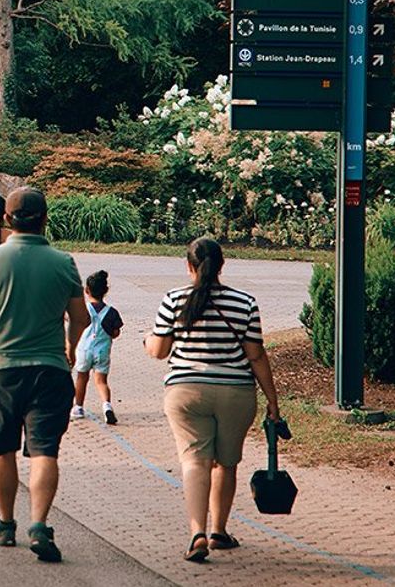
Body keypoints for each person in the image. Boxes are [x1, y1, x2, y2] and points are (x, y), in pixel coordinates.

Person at [0, 186, 89, 563]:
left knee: (2, 448)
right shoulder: (64, 262)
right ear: (46, 218)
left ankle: (5, 524)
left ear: (6, 217)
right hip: (50, 369)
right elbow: (80, 318)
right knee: (44, 450)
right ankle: (39, 524)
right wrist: (68, 349)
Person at [144, 236, 282, 563]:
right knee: (226, 461)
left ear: (189, 266)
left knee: (195, 461)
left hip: (185, 392)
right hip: (236, 392)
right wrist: (273, 401)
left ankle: (197, 533)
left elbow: (159, 351)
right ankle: (220, 530)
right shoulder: (244, 302)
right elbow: (256, 356)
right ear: (222, 266)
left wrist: (147, 340)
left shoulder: (174, 300)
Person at [69, 269, 123, 425]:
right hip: (102, 352)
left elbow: (72, 320)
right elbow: (115, 332)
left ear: (86, 290)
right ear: (105, 291)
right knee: (101, 381)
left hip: (84, 351)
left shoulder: (84, 309)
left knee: (81, 378)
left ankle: (78, 407)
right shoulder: (111, 312)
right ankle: (107, 406)